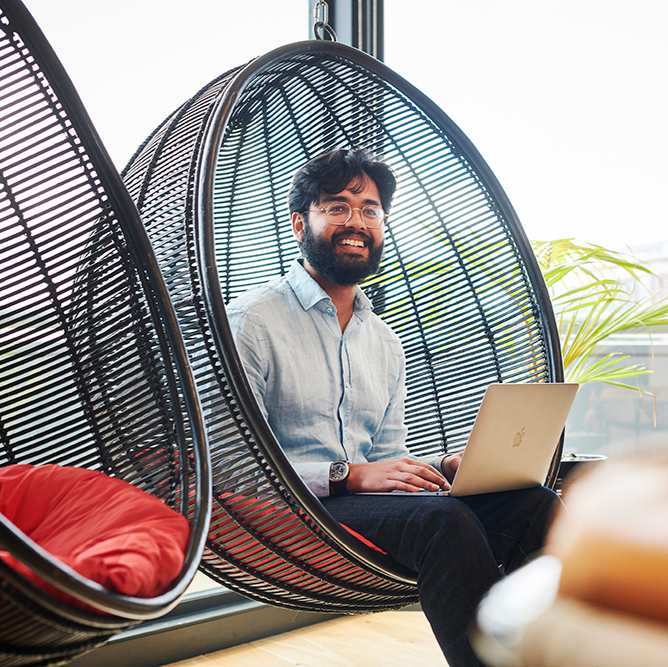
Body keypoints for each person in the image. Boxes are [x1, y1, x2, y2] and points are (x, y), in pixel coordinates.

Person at [227, 147, 561, 667]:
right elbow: (235, 466)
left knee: (533, 505)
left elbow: (386, 457)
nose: (355, 222)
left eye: (370, 209)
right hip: (295, 508)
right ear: (299, 223)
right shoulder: (251, 322)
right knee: (442, 523)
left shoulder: (383, 340)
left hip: (361, 504)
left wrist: (439, 470)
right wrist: (347, 475)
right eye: (336, 207)